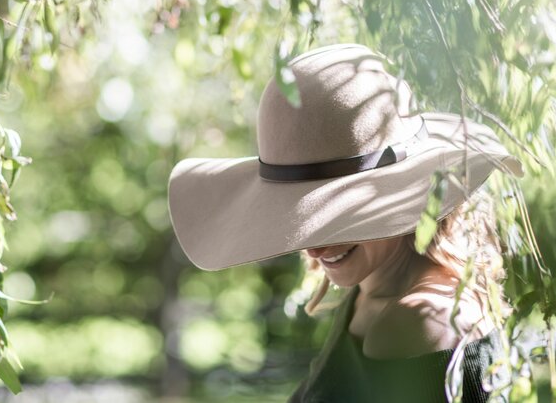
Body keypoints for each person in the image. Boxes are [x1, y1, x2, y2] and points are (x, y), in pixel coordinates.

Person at [168, 44, 521, 402]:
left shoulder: (413, 323)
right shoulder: (375, 286)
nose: (314, 248)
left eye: (336, 218)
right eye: (306, 220)